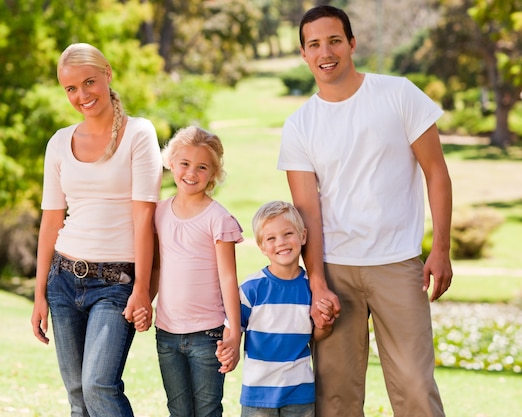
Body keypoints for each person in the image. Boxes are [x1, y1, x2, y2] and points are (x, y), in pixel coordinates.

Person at [277, 5, 453, 417]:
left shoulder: (399, 94)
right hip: (336, 269)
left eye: (335, 40)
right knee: (335, 397)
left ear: (352, 43)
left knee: (415, 387)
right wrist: (317, 283)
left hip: (398, 265)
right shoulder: (300, 125)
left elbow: (437, 174)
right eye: (315, 44)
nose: (326, 51)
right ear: (304, 54)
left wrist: (441, 248)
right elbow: (308, 214)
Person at [30, 42, 162, 417]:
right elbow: (51, 222)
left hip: (116, 283)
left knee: (99, 386)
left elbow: (144, 218)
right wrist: (39, 294)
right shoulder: (58, 142)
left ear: (107, 74)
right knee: (77, 395)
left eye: (89, 82)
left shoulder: (139, 134)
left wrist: (142, 290)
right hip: (63, 279)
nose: (81, 95)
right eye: (71, 88)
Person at [151, 126, 243, 417]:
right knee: (178, 410)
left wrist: (234, 331)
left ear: (213, 173)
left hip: (208, 335)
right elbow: (155, 266)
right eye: (185, 164)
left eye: (202, 167)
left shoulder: (218, 218)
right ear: (171, 163)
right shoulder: (158, 212)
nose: (191, 172)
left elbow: (229, 278)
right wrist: (142, 299)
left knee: (207, 410)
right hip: (166, 333)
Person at [216, 200, 334, 417]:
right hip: (258, 394)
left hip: (299, 392)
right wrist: (230, 349)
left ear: (303, 236)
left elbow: (315, 335)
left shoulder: (311, 289)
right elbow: (233, 327)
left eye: (288, 234)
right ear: (261, 247)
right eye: (271, 238)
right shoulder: (252, 289)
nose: (281, 242)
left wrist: (324, 325)